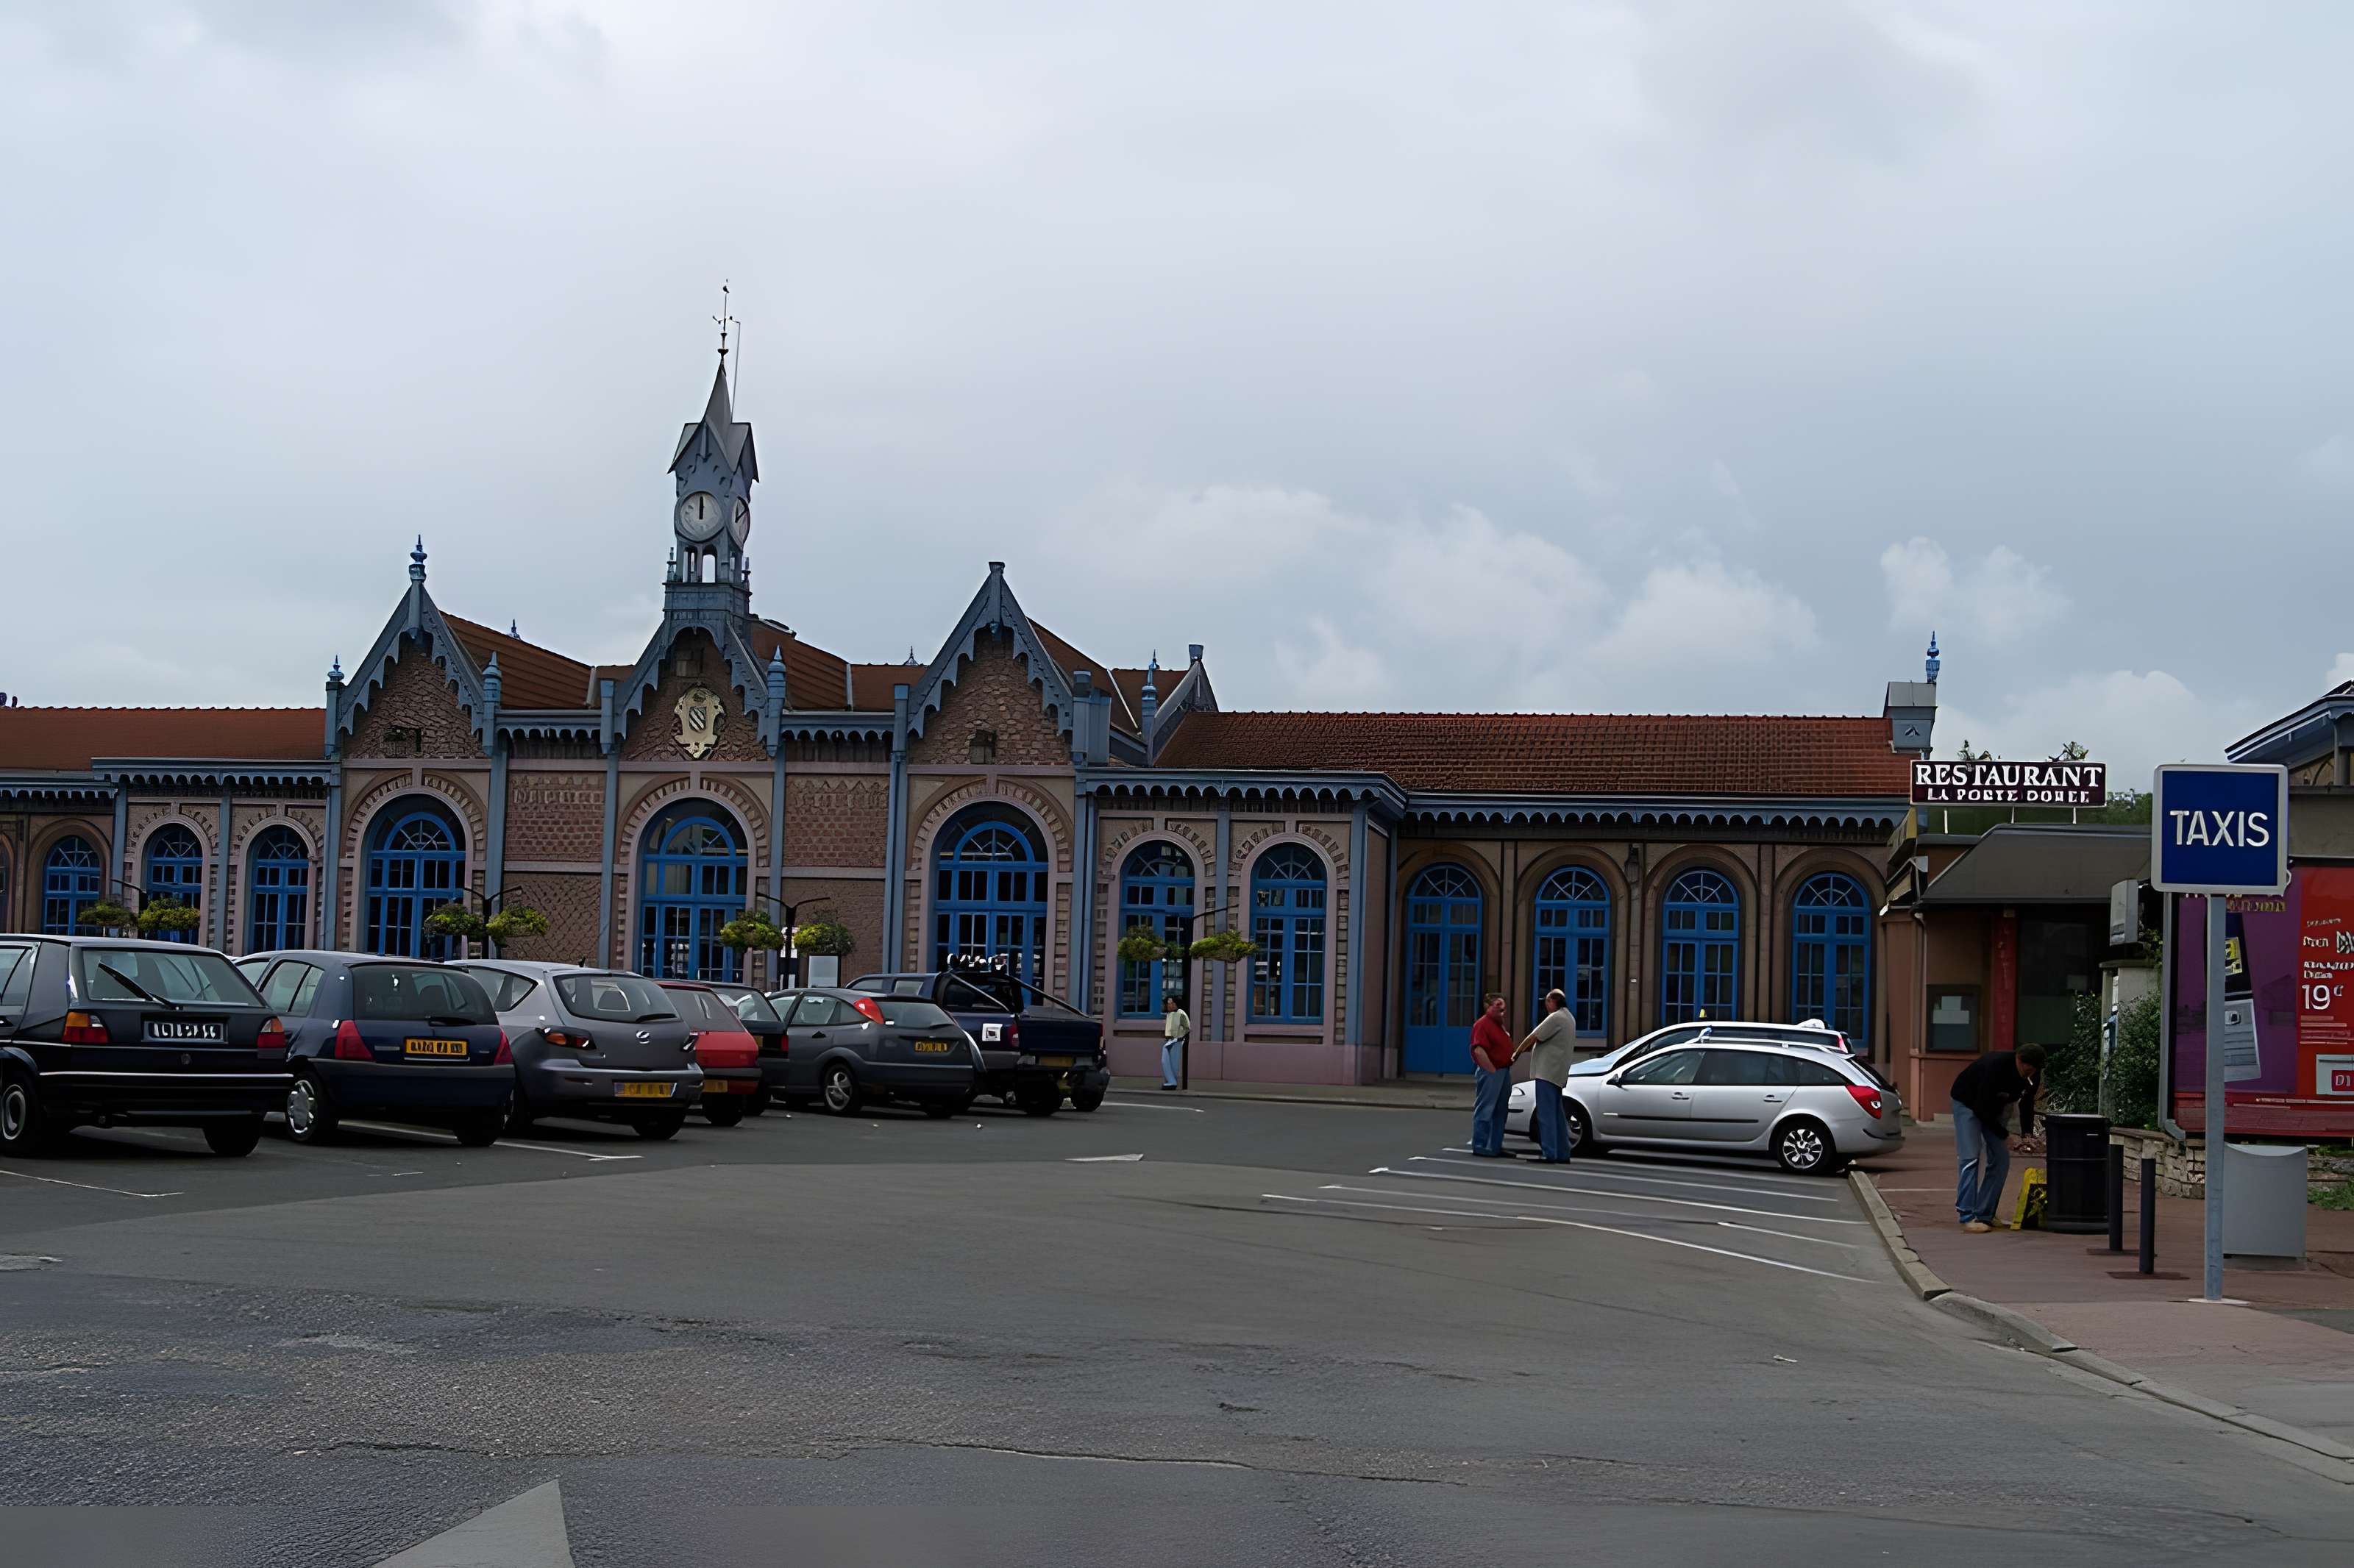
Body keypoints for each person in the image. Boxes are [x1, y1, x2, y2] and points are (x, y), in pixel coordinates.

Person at [1949, 1042, 2045, 1232]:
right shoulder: (1994, 1066)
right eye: (2028, 1068)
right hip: (1968, 1103)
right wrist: (2005, 1135)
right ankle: (1967, 1215)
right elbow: (1981, 1108)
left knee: (2001, 1160)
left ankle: (1985, 1214)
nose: (2030, 1073)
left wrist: (2027, 1135)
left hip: (1998, 1106)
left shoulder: (2033, 1073)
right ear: (2019, 1060)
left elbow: (2026, 1104)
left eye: (2035, 1070)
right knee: (1970, 1156)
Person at [1518, 988, 1578, 1162]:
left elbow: (1534, 1036)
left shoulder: (1556, 1017)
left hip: (1547, 1072)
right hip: (1557, 1072)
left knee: (1546, 1114)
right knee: (1557, 1114)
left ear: (1553, 1001)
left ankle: (1549, 1152)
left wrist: (1517, 1052)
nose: (1546, 1006)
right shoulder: (1569, 1017)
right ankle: (1562, 1152)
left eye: (1547, 1002)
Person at [1468, 994, 1517, 1157]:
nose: (1501, 1010)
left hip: (1503, 1070)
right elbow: (1478, 1049)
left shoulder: (1499, 1024)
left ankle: (1495, 1145)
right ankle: (1481, 1145)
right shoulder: (1482, 1025)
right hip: (1492, 1071)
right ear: (1488, 1007)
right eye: (1497, 1006)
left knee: (1501, 1110)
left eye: (1503, 1007)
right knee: (1486, 1107)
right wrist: (1491, 1070)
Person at [1160, 994, 1192, 1091]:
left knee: (1170, 1059)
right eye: (1169, 1004)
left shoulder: (1180, 1013)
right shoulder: (1169, 1015)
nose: (1170, 1005)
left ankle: (1172, 1081)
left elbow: (1187, 1027)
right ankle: (1171, 1081)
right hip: (1169, 1039)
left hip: (1176, 1039)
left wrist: (1180, 1035)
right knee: (1170, 1060)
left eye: (1172, 1003)